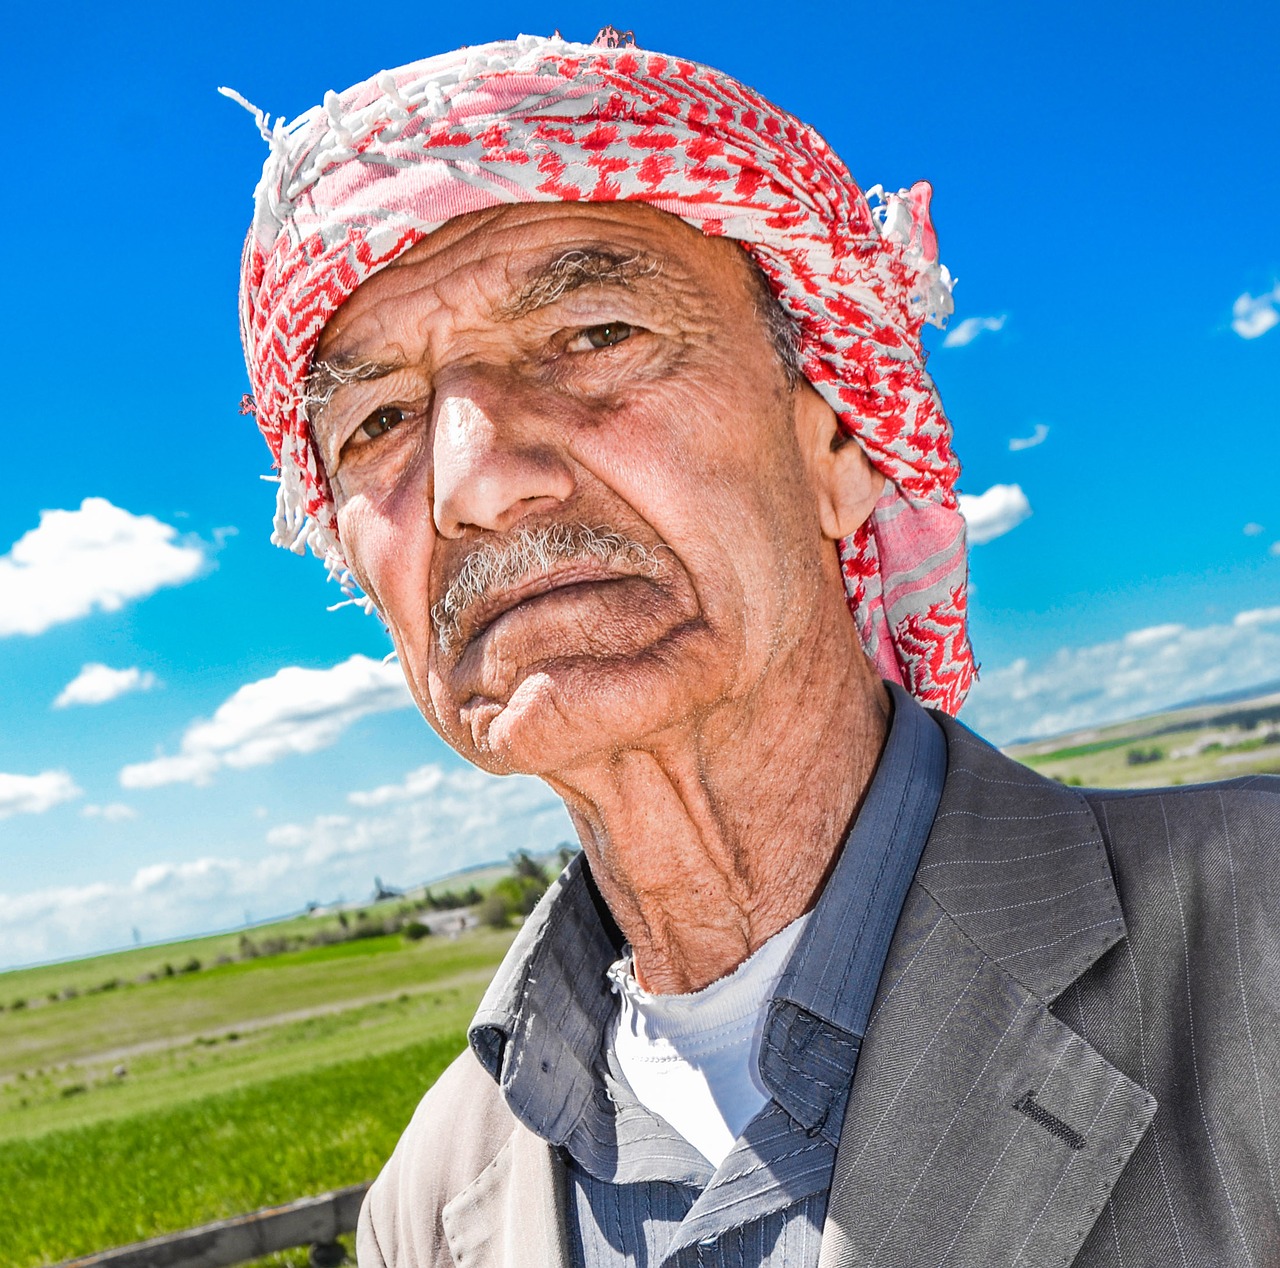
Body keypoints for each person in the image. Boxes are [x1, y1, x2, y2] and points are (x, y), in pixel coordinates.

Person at [228, 30, 1280, 1268]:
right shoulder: (428, 1204)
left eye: (593, 333)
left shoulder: (1253, 948)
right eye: (380, 419)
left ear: (839, 448)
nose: (472, 479)